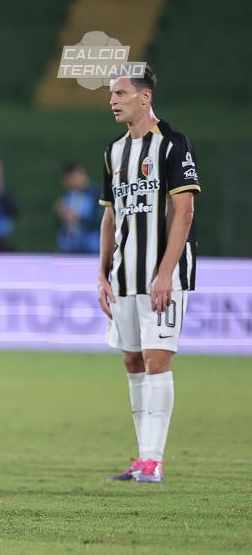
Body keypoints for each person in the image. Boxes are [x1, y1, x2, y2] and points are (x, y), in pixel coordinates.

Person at [99, 67, 198, 484]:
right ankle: (142, 459)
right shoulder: (113, 152)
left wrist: (165, 273)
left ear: (145, 96)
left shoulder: (173, 145)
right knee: (133, 359)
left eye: (120, 93)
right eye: (110, 94)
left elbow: (185, 211)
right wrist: (102, 274)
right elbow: (110, 215)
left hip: (163, 277)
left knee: (158, 359)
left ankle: (153, 460)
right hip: (124, 277)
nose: (112, 101)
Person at [55, 163, 101, 253]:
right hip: (69, 248)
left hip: (92, 248)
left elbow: (101, 221)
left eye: (75, 177)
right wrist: (60, 214)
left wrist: (77, 218)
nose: (73, 181)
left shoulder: (96, 194)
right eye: (68, 179)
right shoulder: (66, 197)